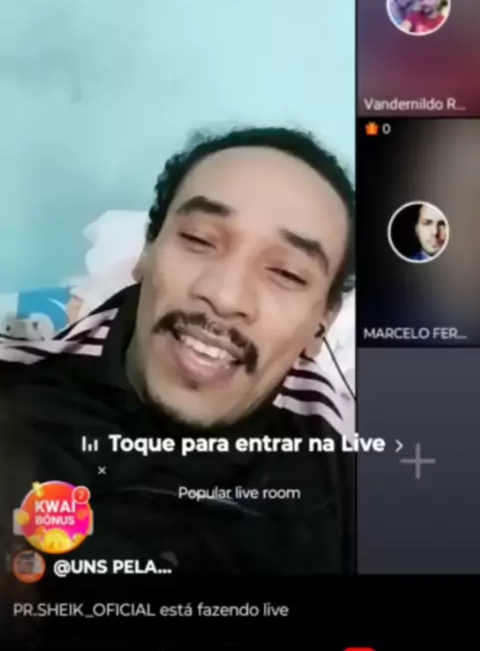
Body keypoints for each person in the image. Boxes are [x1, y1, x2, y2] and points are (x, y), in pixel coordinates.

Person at [0, 126, 355, 575]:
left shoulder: (352, 475)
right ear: (146, 251)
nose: (225, 296)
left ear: (322, 322)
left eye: (286, 273)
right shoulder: (18, 393)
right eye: (200, 240)